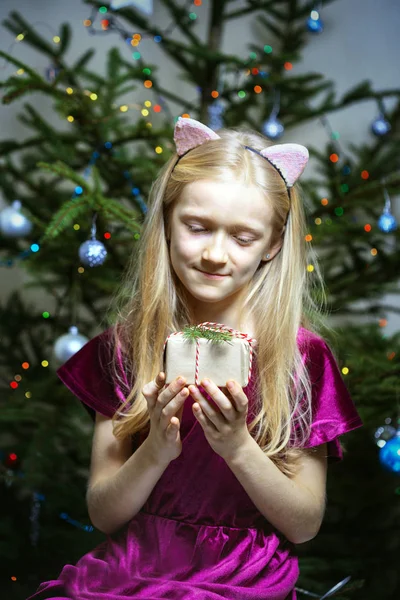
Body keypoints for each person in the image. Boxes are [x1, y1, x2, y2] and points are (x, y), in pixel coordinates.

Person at [28, 117, 363, 600]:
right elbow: (104, 513)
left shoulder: (300, 355)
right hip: (130, 573)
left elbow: (304, 523)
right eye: (197, 227)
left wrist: (238, 447)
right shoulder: (127, 345)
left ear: (271, 244)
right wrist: (156, 451)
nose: (214, 253)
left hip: (246, 580)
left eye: (242, 237)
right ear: (167, 220)